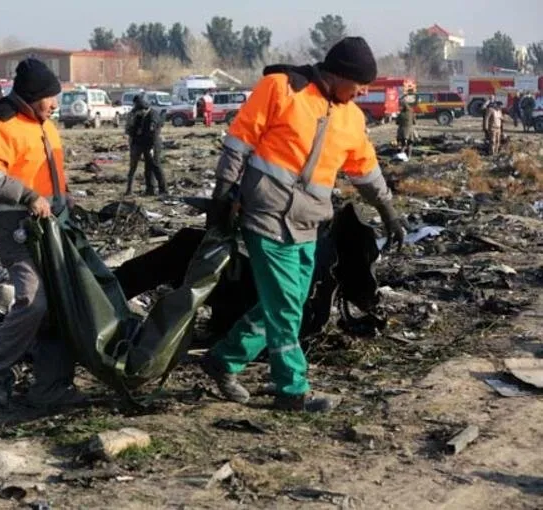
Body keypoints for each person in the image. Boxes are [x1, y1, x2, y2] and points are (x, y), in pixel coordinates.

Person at [201, 37, 404, 413]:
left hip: (307, 222)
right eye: (360, 85)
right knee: (284, 307)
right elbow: (238, 143)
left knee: (290, 302)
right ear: (339, 74)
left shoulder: (351, 118)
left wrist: (389, 212)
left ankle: (224, 359)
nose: (362, 92)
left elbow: (366, 172)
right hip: (265, 215)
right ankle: (291, 389)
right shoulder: (282, 88)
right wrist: (223, 193)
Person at [0, 58, 81, 409]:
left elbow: (45, 172)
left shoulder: (44, 124)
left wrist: (64, 196)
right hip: (16, 228)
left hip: (51, 226)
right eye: (50, 97)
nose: (55, 104)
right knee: (34, 302)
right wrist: (29, 196)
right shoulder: (1, 124)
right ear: (32, 96)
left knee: (59, 304)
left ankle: (49, 386)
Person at [125, 93, 167, 196]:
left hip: (153, 143)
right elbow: (132, 129)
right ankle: (150, 189)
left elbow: (154, 133)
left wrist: (152, 148)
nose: (139, 112)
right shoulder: (139, 115)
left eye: (140, 110)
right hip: (143, 143)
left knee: (156, 166)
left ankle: (164, 190)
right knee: (148, 168)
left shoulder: (153, 115)